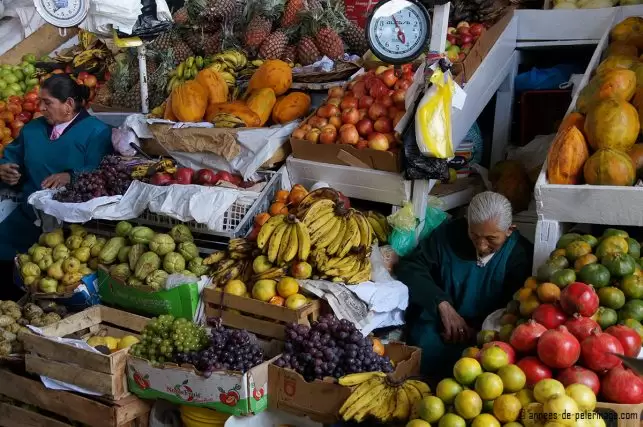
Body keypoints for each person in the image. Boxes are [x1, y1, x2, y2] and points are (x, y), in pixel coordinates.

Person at [395, 191, 533, 377]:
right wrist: (442, 304)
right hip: (441, 326)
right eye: (474, 235)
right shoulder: (450, 234)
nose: (482, 246)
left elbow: (513, 310)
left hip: (486, 335)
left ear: (510, 230)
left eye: (491, 239)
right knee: (423, 345)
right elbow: (410, 267)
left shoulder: (519, 255)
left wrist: (475, 331)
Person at [0, 74, 112, 296]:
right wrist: (6, 169)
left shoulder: (96, 131)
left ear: (68, 104)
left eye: (47, 102)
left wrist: (71, 176)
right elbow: (11, 157)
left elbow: (100, 171)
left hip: (72, 226)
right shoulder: (32, 130)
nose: (40, 107)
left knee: (55, 273)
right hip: (29, 216)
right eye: (40, 101)